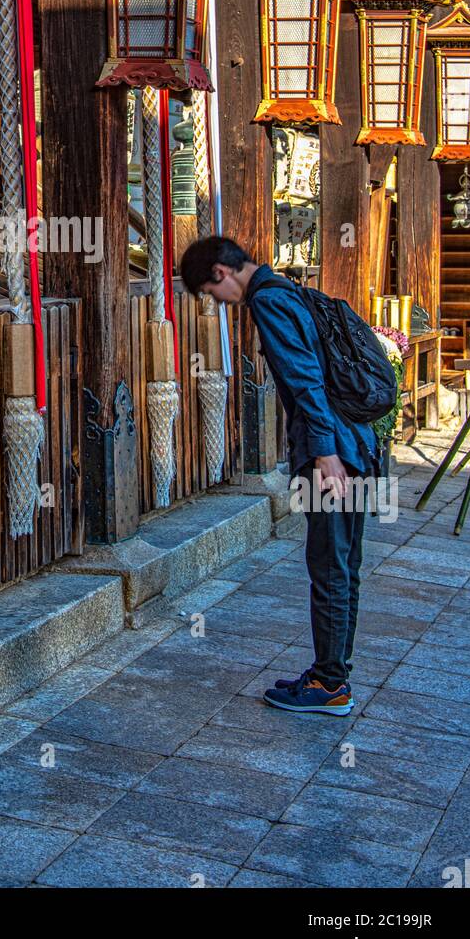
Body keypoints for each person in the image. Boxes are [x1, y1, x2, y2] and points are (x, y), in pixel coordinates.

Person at [180, 235, 378, 718]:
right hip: (358, 440)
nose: (217, 303)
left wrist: (325, 455)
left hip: (331, 450)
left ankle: (331, 685)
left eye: (209, 293)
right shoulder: (288, 289)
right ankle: (332, 673)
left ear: (222, 274)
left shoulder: (267, 302)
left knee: (329, 566)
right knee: (344, 566)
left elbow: (306, 380)